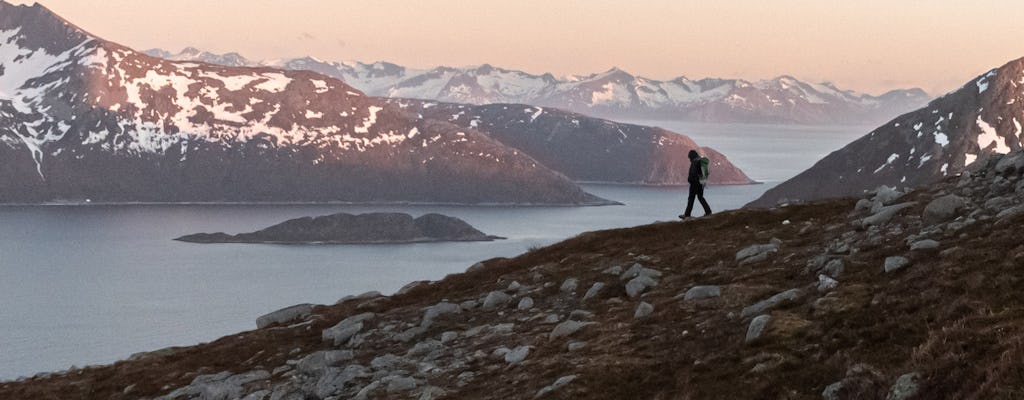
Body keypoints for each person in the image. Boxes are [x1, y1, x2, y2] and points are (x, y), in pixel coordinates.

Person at [679, 150, 711, 219]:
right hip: (701, 182)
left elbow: (693, 173)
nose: (689, 159)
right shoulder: (700, 161)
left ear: (691, 156)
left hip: (694, 183)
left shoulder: (694, 162)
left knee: (691, 198)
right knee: (700, 197)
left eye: (689, 157)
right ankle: (708, 211)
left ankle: (687, 214)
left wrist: (690, 180)